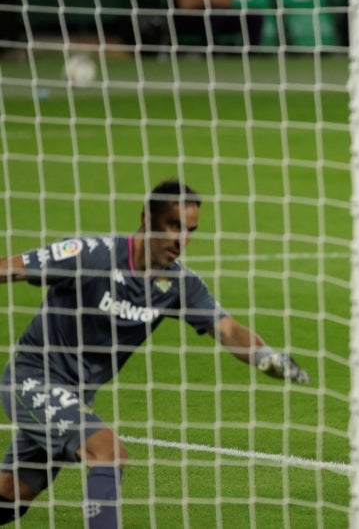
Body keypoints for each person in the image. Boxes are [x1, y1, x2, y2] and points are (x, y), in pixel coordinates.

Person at [0, 180, 309, 527]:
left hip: (76, 395)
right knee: (107, 452)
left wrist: (265, 355)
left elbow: (226, 329)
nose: (182, 240)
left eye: (190, 230)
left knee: (11, 493)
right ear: (146, 218)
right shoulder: (90, 254)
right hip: (31, 379)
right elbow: (10, 266)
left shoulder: (179, 284)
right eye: (174, 226)